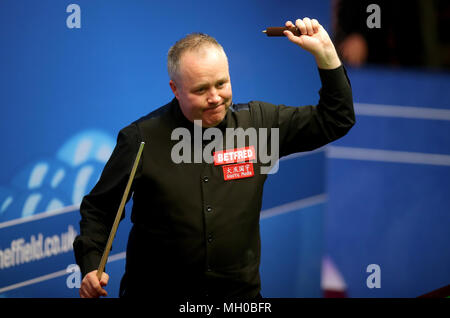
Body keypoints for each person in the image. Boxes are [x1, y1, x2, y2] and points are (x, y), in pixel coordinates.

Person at [73, 17, 355, 299]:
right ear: (175, 89)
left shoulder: (259, 125)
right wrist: (90, 266)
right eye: (201, 90)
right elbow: (99, 210)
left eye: (222, 83)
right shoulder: (140, 139)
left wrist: (326, 53)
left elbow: (336, 118)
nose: (215, 97)